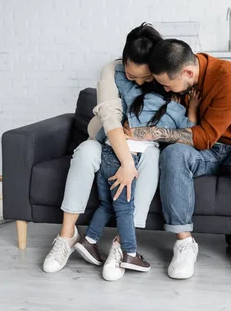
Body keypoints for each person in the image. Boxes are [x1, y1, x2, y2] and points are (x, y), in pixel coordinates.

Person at [125, 39, 231, 283]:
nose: (166, 90)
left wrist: (149, 132)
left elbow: (205, 136)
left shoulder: (230, 79)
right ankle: (184, 243)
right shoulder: (183, 77)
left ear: (188, 72)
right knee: (173, 153)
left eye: (168, 85)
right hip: (204, 152)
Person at [42, 23, 164, 273]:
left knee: (151, 157)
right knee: (86, 151)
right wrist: (127, 165)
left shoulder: (165, 73)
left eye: (147, 78)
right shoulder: (111, 70)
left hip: (144, 144)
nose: (140, 82)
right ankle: (67, 236)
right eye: (132, 77)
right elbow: (110, 120)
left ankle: (124, 245)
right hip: (106, 137)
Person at [74, 63, 201, 281]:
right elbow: (191, 132)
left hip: (109, 152)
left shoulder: (134, 97)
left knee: (107, 204)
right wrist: (191, 108)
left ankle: (89, 241)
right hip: (127, 160)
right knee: (125, 209)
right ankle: (130, 254)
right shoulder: (176, 111)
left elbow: (122, 78)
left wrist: (123, 63)